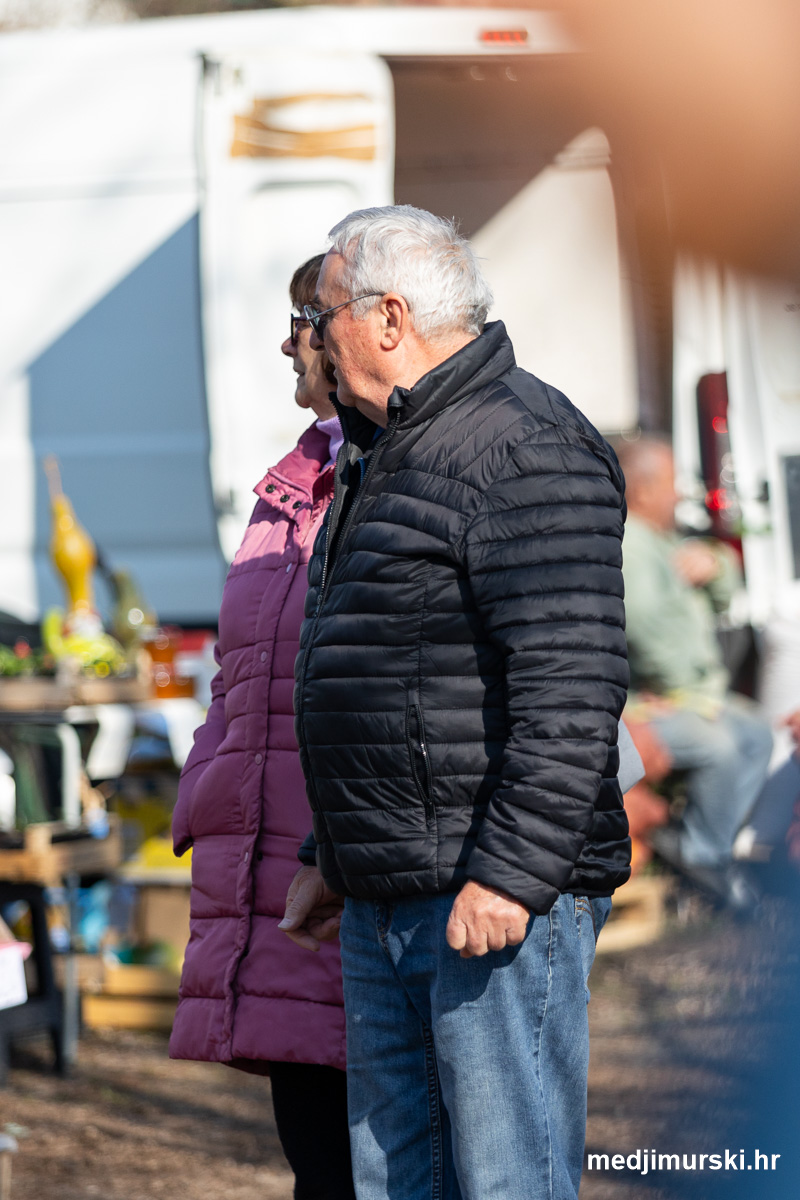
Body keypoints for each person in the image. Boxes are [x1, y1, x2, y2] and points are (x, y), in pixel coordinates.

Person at [279, 205, 631, 1200]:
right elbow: (382, 673)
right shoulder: (394, 444)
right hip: (390, 888)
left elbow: (570, 689)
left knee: (504, 1179)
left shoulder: (521, 444)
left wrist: (509, 877)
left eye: (323, 315)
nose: (314, 339)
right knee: (397, 1180)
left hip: (485, 894)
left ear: (388, 318)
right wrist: (330, 855)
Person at [170, 255, 355, 1200]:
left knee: (383, 1157)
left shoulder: (385, 476)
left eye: (301, 323)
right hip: (275, 867)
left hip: (344, 868)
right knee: (317, 1156)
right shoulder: (293, 482)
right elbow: (239, 669)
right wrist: (205, 782)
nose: (287, 346)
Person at [615, 434, 773, 909]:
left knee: (756, 734)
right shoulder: (630, 546)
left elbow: (726, 593)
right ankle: (702, 861)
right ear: (643, 490)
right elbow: (646, 631)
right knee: (718, 747)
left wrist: (717, 563)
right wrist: (686, 691)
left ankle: (699, 845)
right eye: (671, 482)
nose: (680, 493)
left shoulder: (664, 538)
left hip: (688, 695)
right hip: (648, 704)